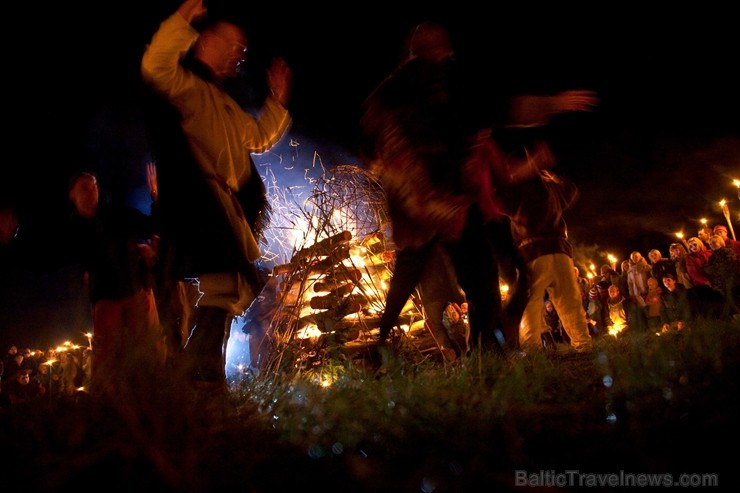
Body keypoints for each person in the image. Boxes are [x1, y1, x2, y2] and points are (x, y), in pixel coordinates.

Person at [141, 0, 292, 395]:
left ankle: (201, 369)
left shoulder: (223, 101)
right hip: (200, 202)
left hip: (225, 205)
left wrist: (276, 103)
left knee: (232, 287)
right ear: (207, 43)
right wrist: (179, 22)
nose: (240, 57)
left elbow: (257, 138)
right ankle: (198, 370)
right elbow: (155, 66)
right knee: (224, 283)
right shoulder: (187, 86)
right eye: (235, 47)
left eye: (244, 52)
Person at [360, 21, 508, 356]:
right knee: (480, 275)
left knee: (407, 273)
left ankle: (380, 344)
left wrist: (391, 172)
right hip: (445, 197)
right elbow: (460, 127)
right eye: (446, 49)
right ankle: (488, 350)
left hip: (410, 204)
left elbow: (369, 140)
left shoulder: (387, 90)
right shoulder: (439, 82)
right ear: (440, 50)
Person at [65, 171, 164, 397]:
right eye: (84, 188)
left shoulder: (117, 215)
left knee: (151, 348)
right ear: (72, 195)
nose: (91, 192)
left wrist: (156, 196)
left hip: (136, 291)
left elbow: (150, 225)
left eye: (94, 187)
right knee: (107, 359)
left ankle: (157, 395)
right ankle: (107, 405)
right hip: (106, 299)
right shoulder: (72, 229)